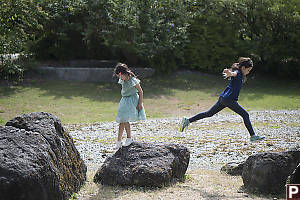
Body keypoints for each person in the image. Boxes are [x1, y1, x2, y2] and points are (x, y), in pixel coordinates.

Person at [180, 57, 265, 142]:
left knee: (209, 113)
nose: (248, 72)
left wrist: (230, 73)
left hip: (223, 98)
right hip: (229, 100)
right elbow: (233, 73)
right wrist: (229, 73)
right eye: (248, 70)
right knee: (245, 115)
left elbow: (233, 74)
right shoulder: (238, 73)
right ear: (243, 68)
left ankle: (188, 120)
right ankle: (253, 136)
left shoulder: (239, 74)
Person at [113, 63, 146, 149]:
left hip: (132, 100)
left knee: (125, 119)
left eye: (120, 76)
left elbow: (141, 92)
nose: (120, 79)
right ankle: (119, 141)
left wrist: (140, 103)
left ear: (123, 73)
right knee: (121, 120)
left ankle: (129, 138)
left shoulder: (133, 80)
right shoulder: (122, 80)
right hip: (124, 100)